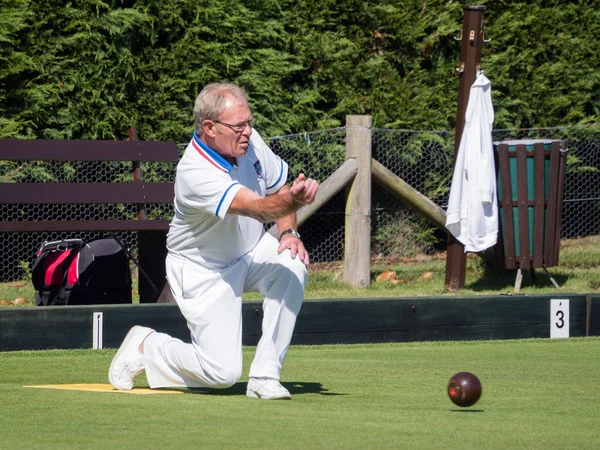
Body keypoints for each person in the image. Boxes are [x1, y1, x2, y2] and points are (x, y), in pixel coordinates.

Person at [108, 82, 319, 400]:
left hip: (250, 252)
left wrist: (289, 232)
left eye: (249, 122)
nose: (247, 131)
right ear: (209, 127)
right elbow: (260, 208)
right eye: (239, 126)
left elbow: (277, 187)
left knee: (292, 264)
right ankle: (147, 345)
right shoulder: (194, 172)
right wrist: (294, 201)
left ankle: (265, 376)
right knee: (221, 374)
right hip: (203, 270)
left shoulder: (248, 141)